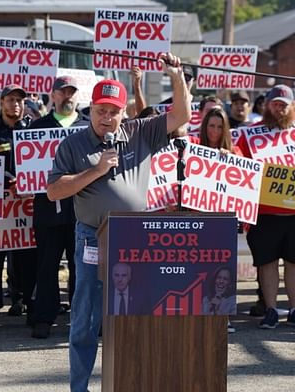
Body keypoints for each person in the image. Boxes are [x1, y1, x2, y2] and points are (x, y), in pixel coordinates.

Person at [46, 52, 190, 392]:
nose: (107, 118)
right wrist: (96, 170)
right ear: (90, 109)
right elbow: (53, 192)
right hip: (92, 239)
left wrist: (176, 75)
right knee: (86, 319)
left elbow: (182, 114)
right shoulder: (73, 144)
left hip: (135, 239)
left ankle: (131, 382)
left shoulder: (139, 131)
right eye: (100, 111)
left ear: (123, 113)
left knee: (134, 318)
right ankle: (79, 387)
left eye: (113, 112)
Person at [235, 85, 295, 330]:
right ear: (267, 105)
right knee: (267, 262)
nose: (280, 108)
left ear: (293, 106)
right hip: (263, 211)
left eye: (285, 103)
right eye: (276, 103)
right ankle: (270, 309)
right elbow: (237, 160)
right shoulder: (251, 133)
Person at [27, 76, 89, 339]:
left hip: (81, 210)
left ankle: (81, 318)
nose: (68, 97)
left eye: (72, 93)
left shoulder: (88, 128)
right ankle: (44, 316)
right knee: (46, 266)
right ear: (52, 96)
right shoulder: (36, 128)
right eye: (62, 93)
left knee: (82, 268)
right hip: (47, 209)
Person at [0, 84, 38, 331]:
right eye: (11, 99)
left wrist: (26, 183)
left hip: (26, 205)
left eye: (20, 100)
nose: (16, 104)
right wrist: (7, 181)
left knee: (28, 261)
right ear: (1, 102)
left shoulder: (33, 128)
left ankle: (32, 308)